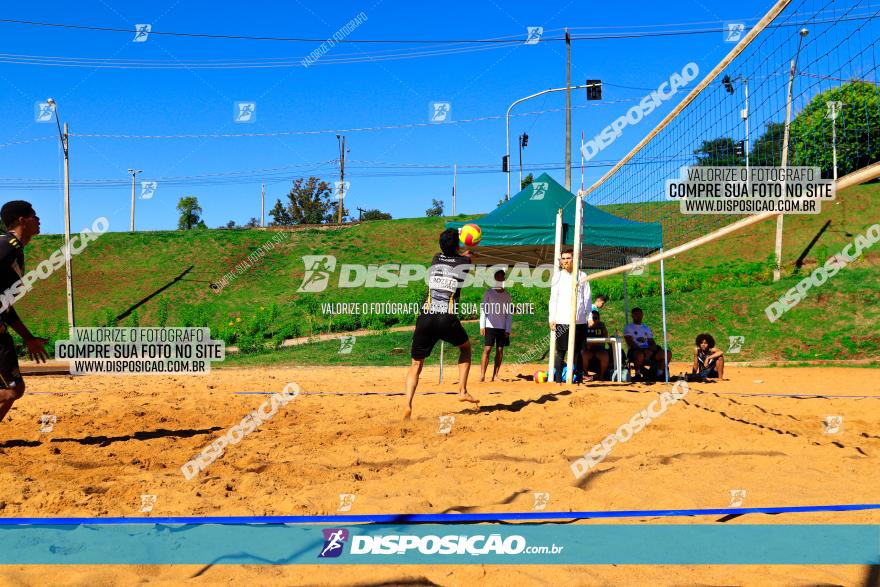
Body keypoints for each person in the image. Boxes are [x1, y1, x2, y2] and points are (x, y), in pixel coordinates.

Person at [404, 228, 479, 418]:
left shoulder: (436, 259)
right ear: (457, 245)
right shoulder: (465, 261)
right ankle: (462, 391)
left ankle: (408, 404)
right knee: (466, 348)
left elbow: (451, 256)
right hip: (446, 318)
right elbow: (464, 257)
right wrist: (469, 250)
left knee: (415, 364)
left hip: (426, 316)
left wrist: (460, 249)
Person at [0, 201, 49, 424]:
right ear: (22, 220)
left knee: (14, 390)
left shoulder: (15, 250)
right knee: (11, 391)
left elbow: (5, 304)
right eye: (34, 215)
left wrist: (28, 338)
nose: (38, 219)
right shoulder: (7, 246)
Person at [549, 249, 591, 383]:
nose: (565, 261)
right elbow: (553, 298)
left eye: (568, 258)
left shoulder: (582, 275)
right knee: (561, 351)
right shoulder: (557, 277)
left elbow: (587, 298)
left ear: (574, 259)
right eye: (563, 258)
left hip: (579, 321)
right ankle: (558, 380)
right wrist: (552, 318)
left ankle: (579, 379)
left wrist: (589, 317)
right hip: (562, 320)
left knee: (578, 352)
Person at [479, 269, 512, 382]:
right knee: (487, 349)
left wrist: (508, 328)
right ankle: (482, 375)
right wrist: (482, 325)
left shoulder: (507, 295)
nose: (499, 279)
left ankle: (495, 375)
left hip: (502, 327)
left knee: (500, 350)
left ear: (503, 279)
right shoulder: (489, 292)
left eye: (501, 277)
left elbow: (509, 313)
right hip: (489, 326)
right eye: (497, 277)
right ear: (495, 279)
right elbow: (483, 309)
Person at [623, 307, 671, 382]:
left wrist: (651, 349)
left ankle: (660, 374)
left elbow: (651, 342)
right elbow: (630, 343)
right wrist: (644, 350)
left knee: (667, 353)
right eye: (636, 314)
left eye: (639, 314)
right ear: (632, 316)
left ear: (642, 315)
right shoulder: (628, 327)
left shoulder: (646, 328)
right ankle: (637, 374)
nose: (638, 316)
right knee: (639, 354)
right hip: (635, 351)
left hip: (648, 351)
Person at [582, 310, 609, 380]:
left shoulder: (601, 325)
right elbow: (581, 339)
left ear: (599, 319)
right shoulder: (585, 325)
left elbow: (605, 337)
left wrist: (605, 332)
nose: (593, 320)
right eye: (592, 318)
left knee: (605, 356)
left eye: (595, 318)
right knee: (583, 355)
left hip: (599, 348)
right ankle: (585, 374)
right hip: (588, 349)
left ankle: (601, 375)